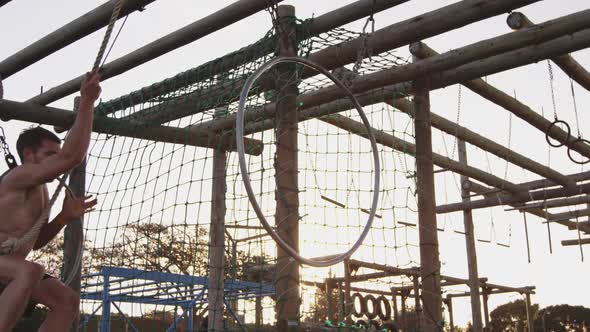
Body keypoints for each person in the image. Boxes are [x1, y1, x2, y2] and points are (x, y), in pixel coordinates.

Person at [0, 72, 101, 331]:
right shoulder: (19, 177)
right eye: (49, 154)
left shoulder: (42, 190)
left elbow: (35, 240)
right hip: (10, 268)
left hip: (8, 269)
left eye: (55, 154)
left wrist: (63, 217)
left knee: (67, 301)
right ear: (28, 154)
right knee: (29, 271)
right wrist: (87, 103)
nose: (55, 160)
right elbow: (72, 156)